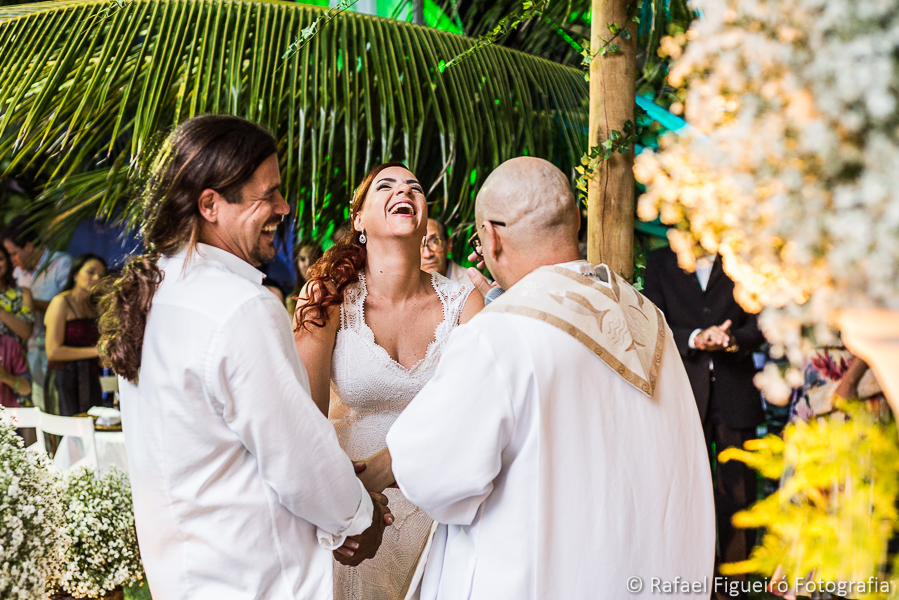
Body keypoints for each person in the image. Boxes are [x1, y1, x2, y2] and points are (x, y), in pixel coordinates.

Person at [386, 157, 715, 600]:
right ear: (576, 218)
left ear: (492, 237)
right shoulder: (649, 320)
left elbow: (432, 475)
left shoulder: (498, 333)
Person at [97, 115, 391, 600]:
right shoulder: (240, 308)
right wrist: (359, 516)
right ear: (210, 204)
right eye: (267, 194)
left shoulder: (158, 293)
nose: (284, 207)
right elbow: (299, 459)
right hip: (258, 577)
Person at [294, 162, 483, 600]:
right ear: (358, 219)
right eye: (387, 185)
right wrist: (342, 507)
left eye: (415, 187)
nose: (405, 190)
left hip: (442, 513)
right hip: (353, 510)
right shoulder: (327, 297)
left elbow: (482, 410)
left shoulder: (465, 303)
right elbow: (303, 420)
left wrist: (391, 466)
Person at [642, 247, 766, 592]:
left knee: (739, 492)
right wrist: (695, 337)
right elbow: (652, 322)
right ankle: (690, 582)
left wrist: (730, 340)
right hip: (682, 396)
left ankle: (736, 584)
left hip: (735, 394)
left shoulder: (743, 260)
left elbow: (761, 324)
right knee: (682, 492)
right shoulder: (660, 262)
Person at [1, 215, 72, 411]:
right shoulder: (16, 273)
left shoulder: (60, 264)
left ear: (29, 247)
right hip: (26, 355)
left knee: (58, 410)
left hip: (57, 353)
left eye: (13, 254)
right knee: (36, 412)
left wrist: (29, 302)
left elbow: (67, 308)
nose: (12, 261)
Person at [44, 254, 108, 416]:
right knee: (66, 437)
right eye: (90, 272)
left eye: (101, 275)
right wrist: (96, 351)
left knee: (92, 434)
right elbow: (53, 351)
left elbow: (104, 357)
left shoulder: (96, 307)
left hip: (91, 380)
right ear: (75, 274)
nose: (96, 278)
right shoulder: (61, 302)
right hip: (64, 382)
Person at [0, 243, 34, 407]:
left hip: (16, 367)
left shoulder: (22, 294)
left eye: (0, 259)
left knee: (21, 424)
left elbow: (27, 332)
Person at [287, 239, 324, 316]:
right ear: (297, 263)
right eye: (302, 259)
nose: (307, 264)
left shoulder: (331, 294)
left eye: (312, 259)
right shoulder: (291, 300)